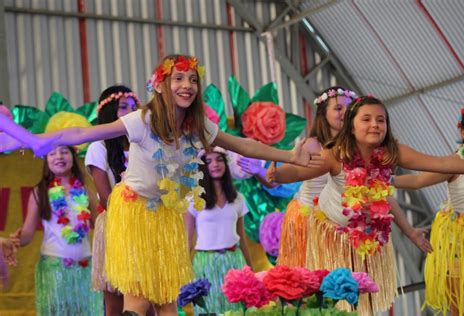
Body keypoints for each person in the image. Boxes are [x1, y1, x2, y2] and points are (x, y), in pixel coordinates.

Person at [0, 54, 316, 315]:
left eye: (193, 79)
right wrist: (27, 139)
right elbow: (83, 135)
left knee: (167, 303)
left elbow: (242, 145)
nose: (187, 85)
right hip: (132, 211)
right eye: (178, 78)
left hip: (165, 215)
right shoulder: (142, 119)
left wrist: (290, 154)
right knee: (137, 299)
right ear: (162, 85)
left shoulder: (198, 127)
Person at [267, 96, 464, 314]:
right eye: (366, 119)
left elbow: (440, 163)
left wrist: (410, 232)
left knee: (362, 306)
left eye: (381, 120)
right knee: (332, 304)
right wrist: (278, 173)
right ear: (352, 127)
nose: (375, 124)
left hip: (366, 238)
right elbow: (299, 171)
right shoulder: (336, 154)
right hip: (331, 237)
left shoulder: (392, 153)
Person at [240, 86, 356, 267]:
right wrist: (261, 172)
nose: (345, 113)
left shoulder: (356, 149)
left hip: (339, 222)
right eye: (338, 108)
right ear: (323, 114)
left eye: (349, 109)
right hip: (308, 221)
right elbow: (278, 180)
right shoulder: (312, 145)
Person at [394, 105, 464, 316]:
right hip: (461, 245)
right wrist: (385, 180)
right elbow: (418, 180)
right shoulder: (456, 162)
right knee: (462, 309)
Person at [8, 146, 102, 315]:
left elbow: (101, 226)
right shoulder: (40, 192)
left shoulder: (85, 191)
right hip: (54, 266)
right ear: (46, 160)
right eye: (52, 153)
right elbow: (28, 233)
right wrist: (16, 239)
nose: (59, 156)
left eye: (64, 152)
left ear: (73, 157)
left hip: (85, 266)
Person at [84, 85, 140, 315]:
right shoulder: (98, 148)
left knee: (147, 295)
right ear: (109, 112)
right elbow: (107, 198)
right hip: (116, 227)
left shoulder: (142, 144)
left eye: (134, 107)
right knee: (116, 300)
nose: (130, 112)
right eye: (123, 107)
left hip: (146, 226)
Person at [184, 146, 252, 315]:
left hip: (234, 262)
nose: (215, 164)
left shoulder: (238, 198)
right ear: (202, 167)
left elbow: (242, 238)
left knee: (236, 311)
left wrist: (250, 271)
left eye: (219, 159)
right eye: (209, 161)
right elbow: (186, 241)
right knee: (208, 310)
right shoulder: (193, 200)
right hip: (205, 264)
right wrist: (181, 273)